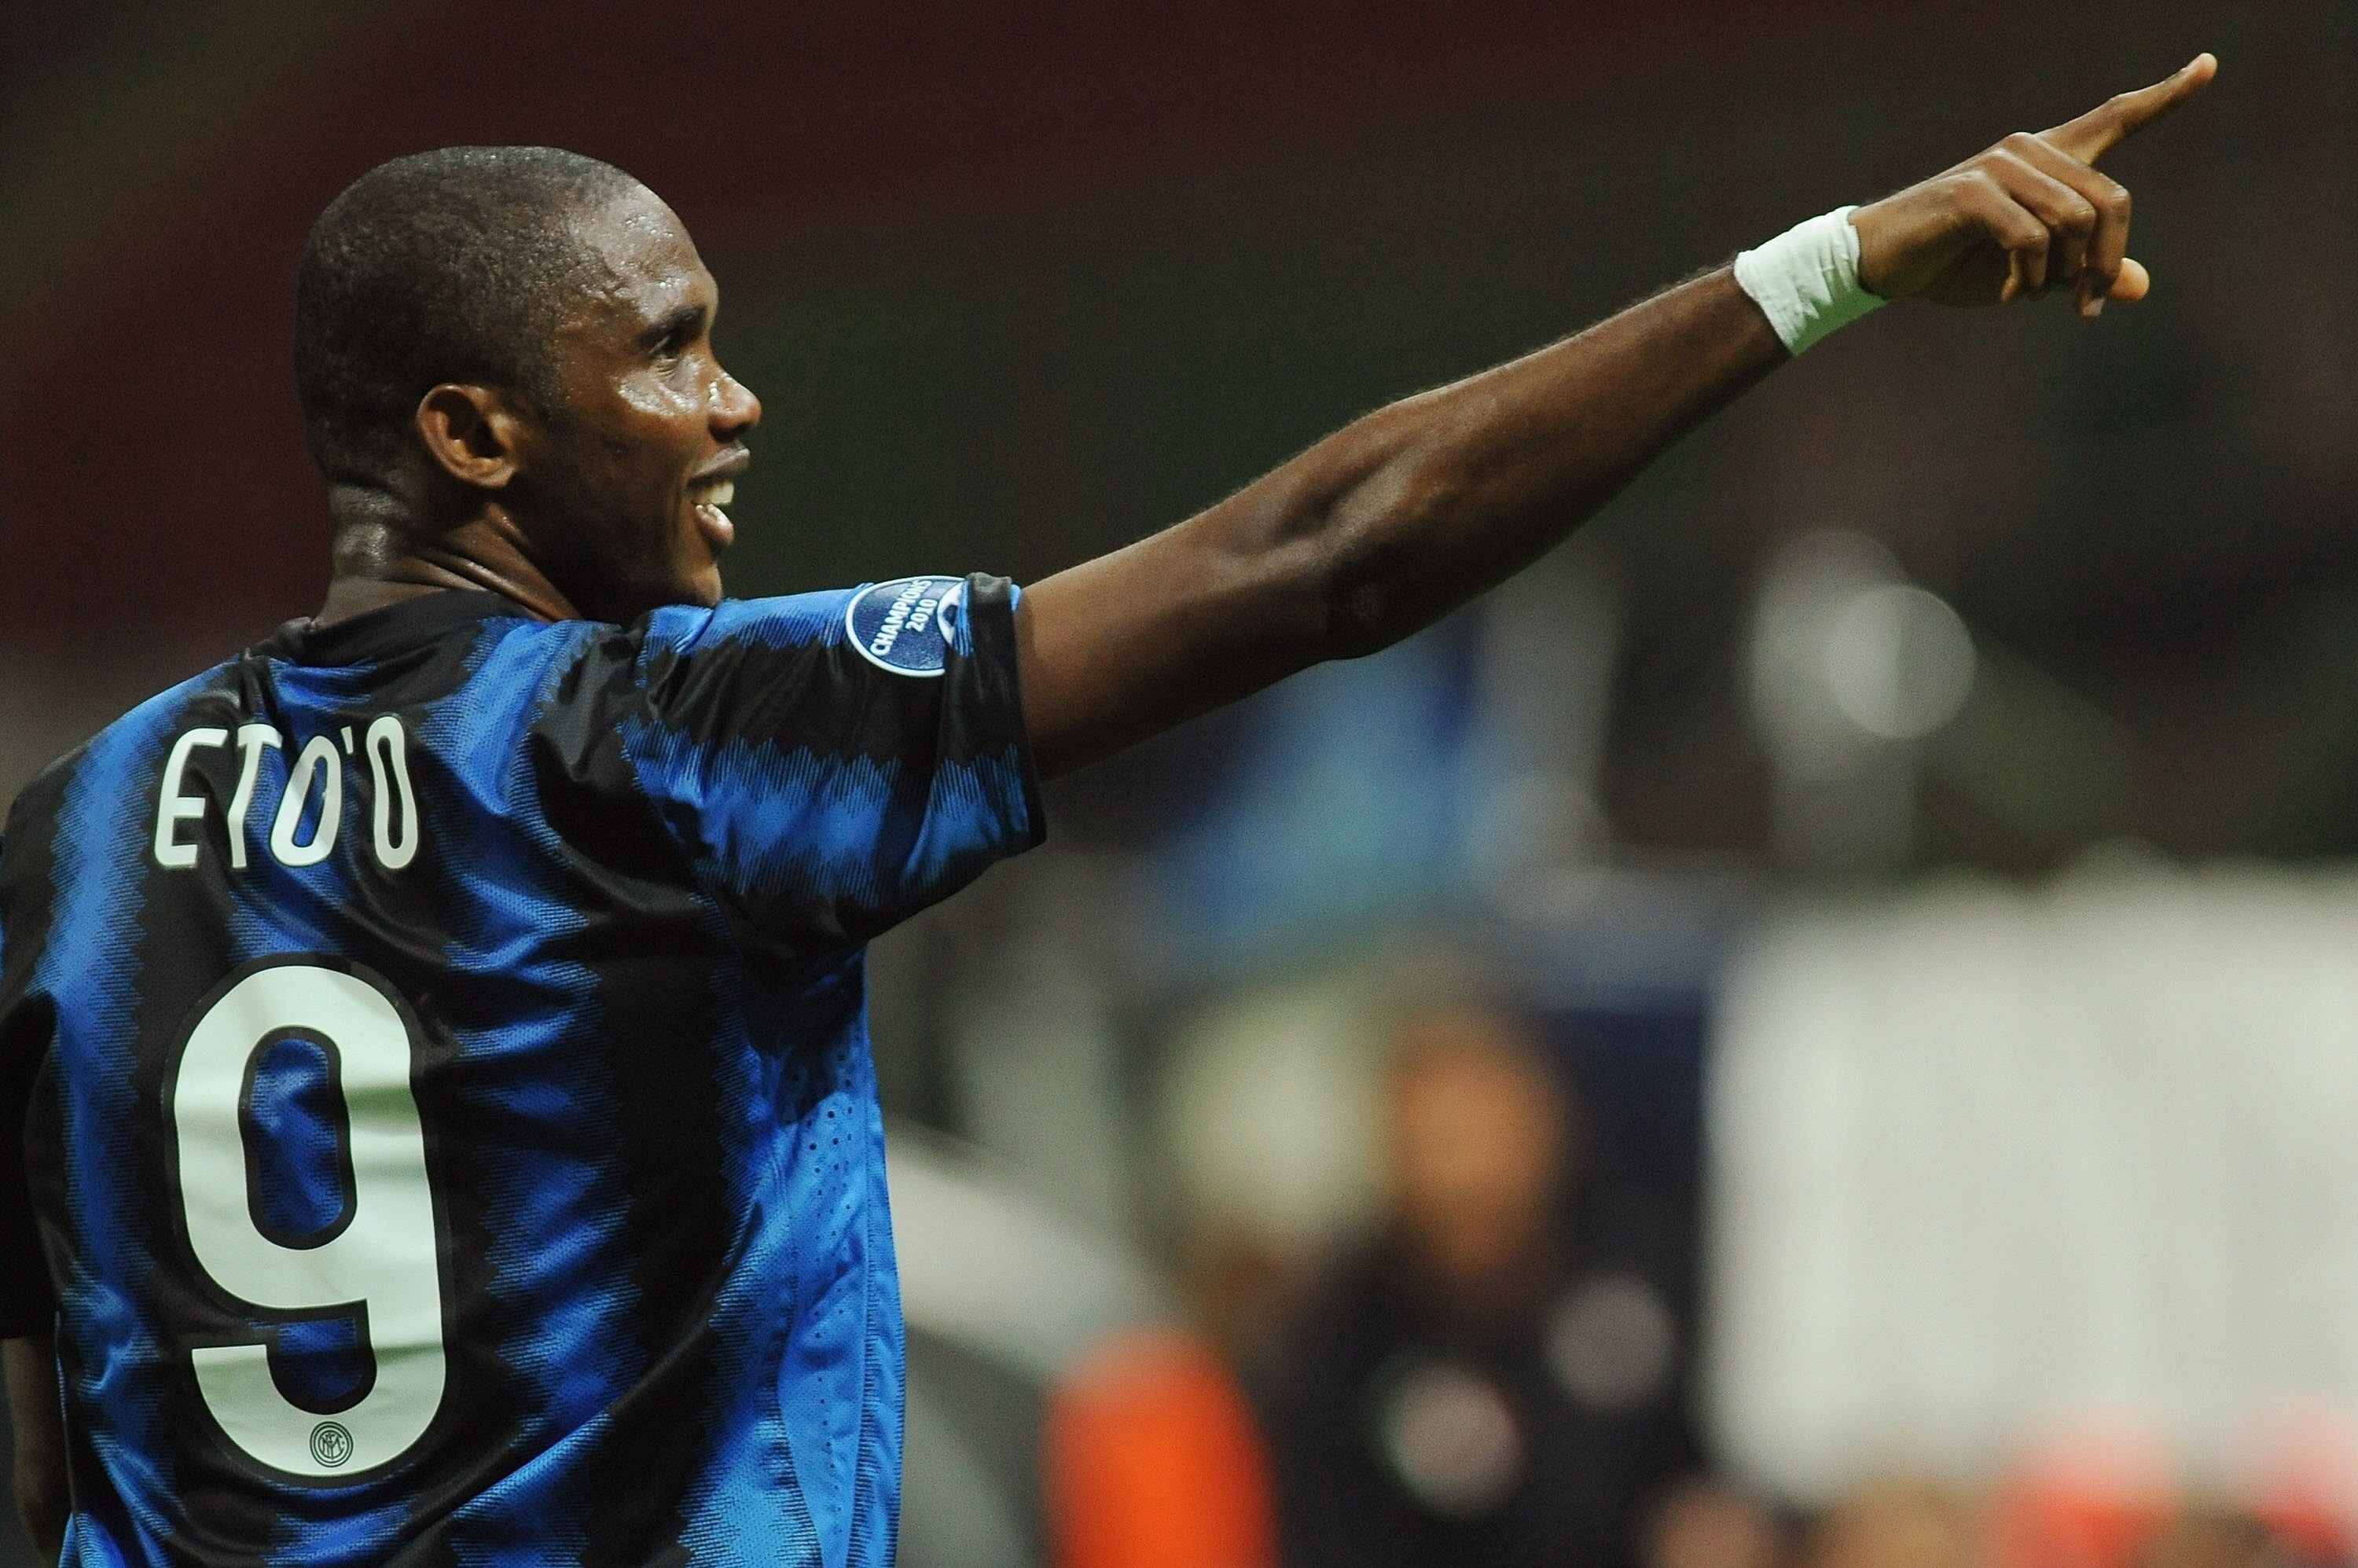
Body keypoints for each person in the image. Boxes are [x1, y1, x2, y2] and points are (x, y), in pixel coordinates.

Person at [0, 53, 2214, 1566]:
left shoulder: (66, 848)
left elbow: (39, 1434)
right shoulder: (650, 741)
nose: (732, 400)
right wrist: (1830, 265)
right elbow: (1324, 554)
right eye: (665, 350)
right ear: (474, 437)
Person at [1255, 1006, 1701, 1568]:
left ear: (1547, 1127)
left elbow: (1727, 1463)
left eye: (1487, 1137)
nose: (1463, 1181)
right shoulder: (1337, 1344)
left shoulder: (1648, 1270)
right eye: (1438, 1143)